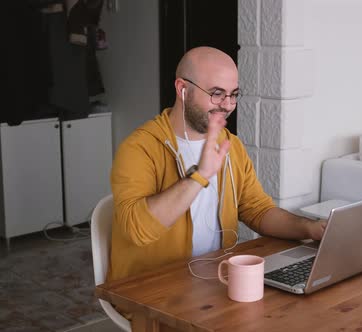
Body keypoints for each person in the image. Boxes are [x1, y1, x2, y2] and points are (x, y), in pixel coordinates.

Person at [108, 46, 326, 282]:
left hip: (216, 279)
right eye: (217, 93)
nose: (228, 105)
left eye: (233, 94)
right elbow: (137, 229)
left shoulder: (229, 145)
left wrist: (309, 229)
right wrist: (199, 176)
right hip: (151, 288)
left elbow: (258, 210)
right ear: (182, 89)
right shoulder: (139, 148)